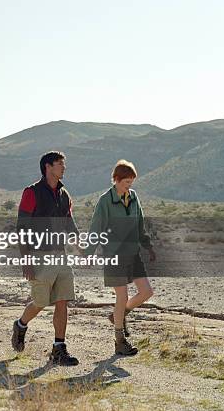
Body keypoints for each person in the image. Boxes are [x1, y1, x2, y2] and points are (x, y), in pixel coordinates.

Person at [11, 151, 80, 366]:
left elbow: (69, 222)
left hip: (61, 256)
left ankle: (59, 349)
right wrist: (26, 260)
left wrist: (81, 247)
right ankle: (21, 325)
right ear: (48, 167)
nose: (64, 167)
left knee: (63, 300)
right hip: (38, 255)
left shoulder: (64, 194)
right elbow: (22, 227)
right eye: (60, 164)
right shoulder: (31, 192)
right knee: (41, 301)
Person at [88, 160, 156, 356]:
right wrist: (90, 252)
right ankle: (119, 341)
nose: (129, 185)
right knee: (122, 295)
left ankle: (118, 314)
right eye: (126, 181)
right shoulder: (105, 201)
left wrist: (148, 246)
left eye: (131, 182)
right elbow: (96, 228)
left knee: (146, 292)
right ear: (116, 180)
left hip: (133, 253)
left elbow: (140, 224)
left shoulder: (133, 197)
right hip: (113, 254)